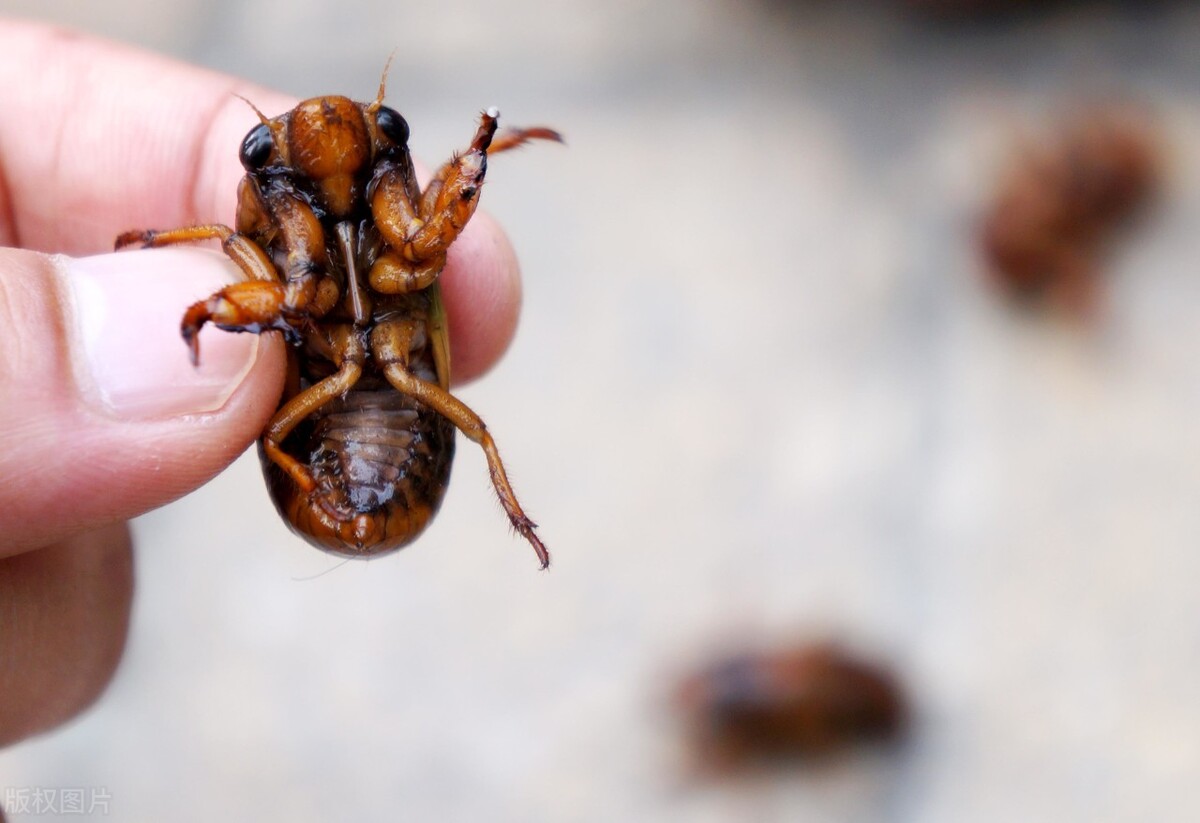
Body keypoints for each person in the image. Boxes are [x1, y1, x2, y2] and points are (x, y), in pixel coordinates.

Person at [0, 20, 527, 748]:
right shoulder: (281, 238)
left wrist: (472, 159)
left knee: (467, 416)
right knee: (294, 394)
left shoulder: (403, 231)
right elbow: (232, 243)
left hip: (395, 420)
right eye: (263, 157)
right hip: (322, 444)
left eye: (382, 133)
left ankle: (505, 507)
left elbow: (427, 236)